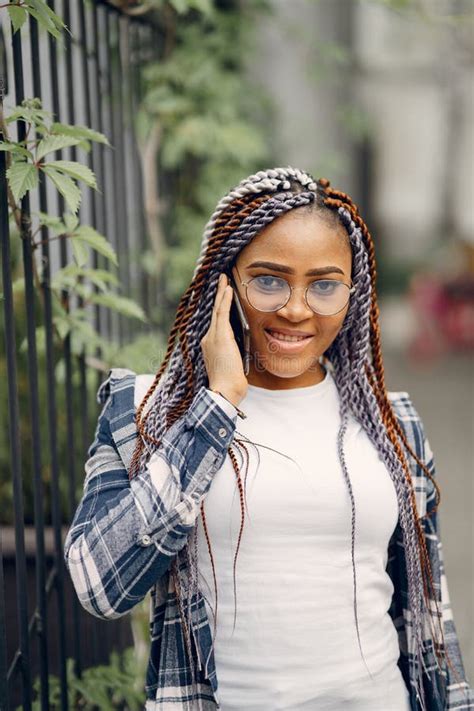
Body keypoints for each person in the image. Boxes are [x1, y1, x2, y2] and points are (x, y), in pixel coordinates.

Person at [64, 167, 473, 711]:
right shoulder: (147, 410)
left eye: (324, 285)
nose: (297, 308)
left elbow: (430, 614)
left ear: (354, 293)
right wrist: (217, 405)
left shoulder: (391, 422)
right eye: (269, 280)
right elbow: (101, 587)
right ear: (224, 281)